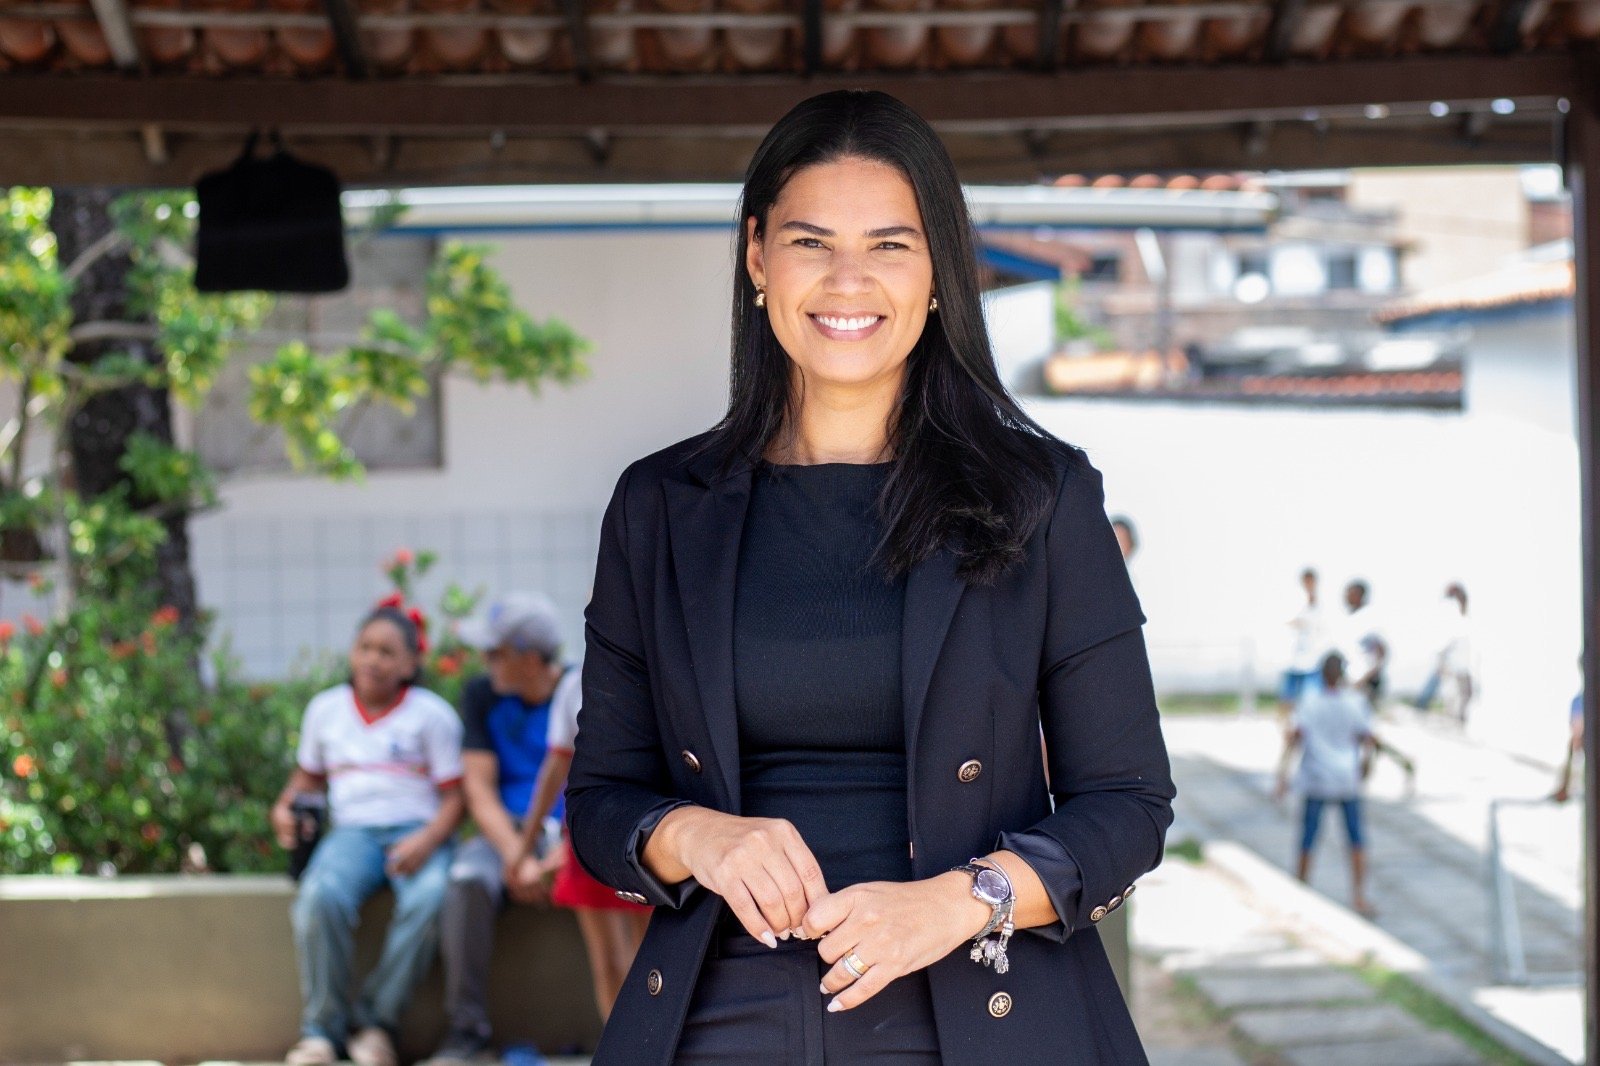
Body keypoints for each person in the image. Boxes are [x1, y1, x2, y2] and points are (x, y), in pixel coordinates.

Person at [565, 90, 1175, 1066]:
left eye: (890, 244)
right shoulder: (661, 506)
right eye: (812, 241)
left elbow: (1130, 803)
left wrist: (959, 902)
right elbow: (600, 802)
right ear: (758, 257)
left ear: (939, 271)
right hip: (717, 1021)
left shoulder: (1042, 495)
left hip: (981, 1012)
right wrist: (699, 838)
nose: (849, 280)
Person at [272, 598, 465, 1066]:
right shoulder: (325, 711)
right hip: (352, 835)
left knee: (431, 899)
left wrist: (426, 841)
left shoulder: (432, 716)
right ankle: (321, 1031)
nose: (373, 660)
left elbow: (456, 799)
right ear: (352, 654)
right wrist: (281, 808)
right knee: (320, 897)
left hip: (418, 833)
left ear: (410, 663)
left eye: (387, 652)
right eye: (365, 648)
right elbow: (308, 780)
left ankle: (376, 1024)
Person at [426, 592, 578, 1066]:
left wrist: (561, 854)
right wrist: (519, 856)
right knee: (466, 881)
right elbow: (479, 789)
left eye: (496, 652)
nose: (484, 661)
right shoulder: (481, 694)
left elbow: (605, 783)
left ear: (531, 660)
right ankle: (466, 1032)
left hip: (576, 829)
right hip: (507, 835)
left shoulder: (581, 689)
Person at [510, 661, 651, 1024]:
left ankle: (652, 1049)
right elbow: (555, 767)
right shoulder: (576, 682)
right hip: (591, 831)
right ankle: (617, 1050)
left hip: (650, 830)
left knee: (651, 959)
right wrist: (524, 850)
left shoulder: (658, 669)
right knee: (608, 962)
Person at [1274, 652, 1377, 917]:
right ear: (1342, 675)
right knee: (1355, 840)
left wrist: (1282, 776)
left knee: (1308, 837)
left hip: (1316, 779)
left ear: (1321, 675)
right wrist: (1367, 765)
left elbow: (1293, 739)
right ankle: (1359, 896)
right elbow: (1368, 739)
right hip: (1346, 780)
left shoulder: (1309, 703)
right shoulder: (1355, 703)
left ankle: (1300, 891)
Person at [1412, 583, 1473, 725]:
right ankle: (1423, 708)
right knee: (1449, 693)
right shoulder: (1448, 611)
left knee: (1461, 696)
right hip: (1450, 661)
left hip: (1460, 662)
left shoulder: (1462, 615)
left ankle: (1458, 721)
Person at [1278, 567, 1325, 723]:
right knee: (1287, 698)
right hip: (1294, 659)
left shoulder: (1321, 604)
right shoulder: (1294, 601)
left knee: (1312, 699)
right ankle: (1285, 728)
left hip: (1312, 660)